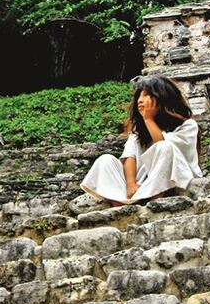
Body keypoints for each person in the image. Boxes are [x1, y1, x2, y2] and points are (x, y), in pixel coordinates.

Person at [81, 74, 203, 206]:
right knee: (105, 160)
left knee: (164, 147)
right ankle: (121, 204)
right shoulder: (139, 131)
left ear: (162, 98)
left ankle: (154, 201)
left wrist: (148, 119)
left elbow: (162, 144)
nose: (140, 100)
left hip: (173, 183)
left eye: (146, 95)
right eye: (139, 96)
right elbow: (129, 157)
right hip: (140, 187)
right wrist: (131, 185)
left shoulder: (188, 126)